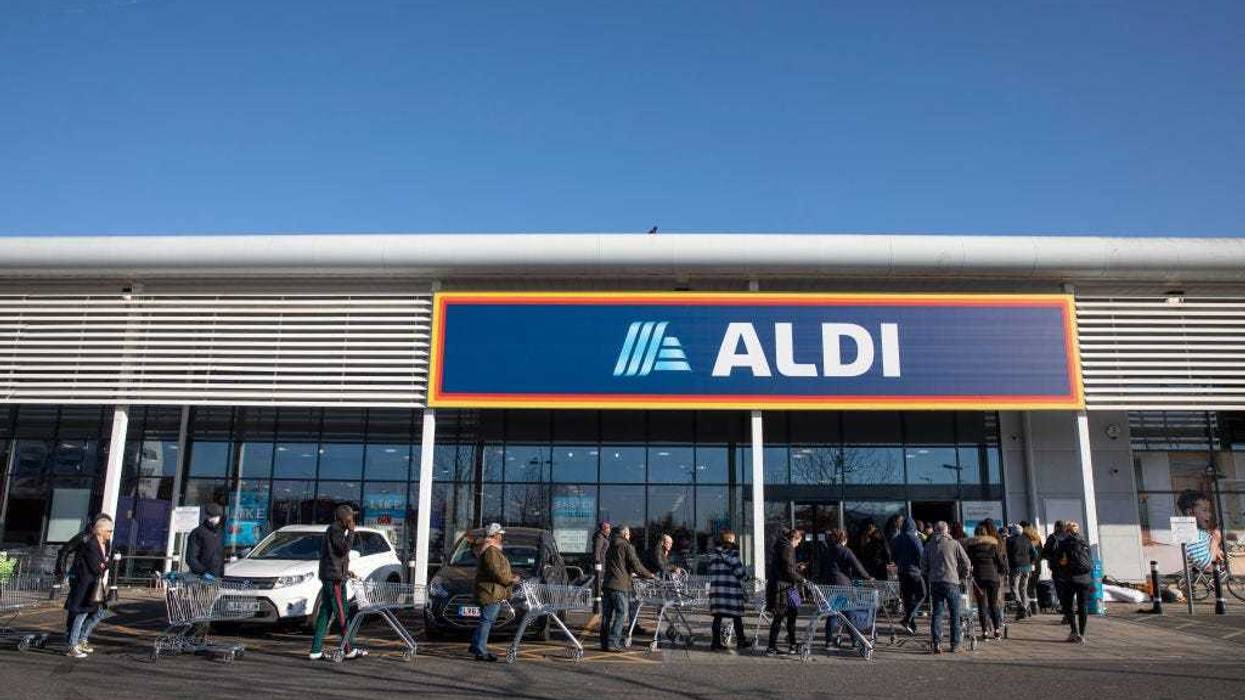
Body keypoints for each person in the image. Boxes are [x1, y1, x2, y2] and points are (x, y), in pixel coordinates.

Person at [309, 504, 365, 661]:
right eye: (351, 517)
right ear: (345, 518)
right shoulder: (336, 530)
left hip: (335, 575)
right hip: (334, 580)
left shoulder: (335, 530)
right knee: (342, 613)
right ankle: (348, 649)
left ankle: (315, 650)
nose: (353, 519)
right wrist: (352, 531)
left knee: (325, 613)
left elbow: (334, 557)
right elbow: (343, 549)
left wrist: (346, 571)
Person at [64, 514, 114, 658]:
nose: (110, 534)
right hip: (85, 584)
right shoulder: (91, 544)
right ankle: (72, 645)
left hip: (95, 585)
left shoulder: (104, 544)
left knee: (100, 611)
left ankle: (80, 639)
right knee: (81, 613)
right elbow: (96, 567)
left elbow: (101, 565)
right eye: (108, 531)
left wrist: (104, 564)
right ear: (101, 531)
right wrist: (107, 564)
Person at [469, 523, 520, 661]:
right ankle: (480, 650)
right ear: (495, 535)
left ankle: (476, 646)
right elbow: (496, 572)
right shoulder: (491, 550)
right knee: (487, 621)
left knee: (485, 620)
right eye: (500, 534)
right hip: (490, 592)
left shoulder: (491, 549)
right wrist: (511, 580)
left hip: (491, 591)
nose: (501, 536)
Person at [601, 525, 654, 652]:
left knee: (606, 616)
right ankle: (614, 641)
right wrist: (649, 575)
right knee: (622, 613)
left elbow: (618, 564)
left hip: (608, 584)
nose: (629, 537)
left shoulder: (610, 545)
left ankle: (604, 643)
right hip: (620, 585)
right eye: (629, 534)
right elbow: (636, 564)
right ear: (625, 534)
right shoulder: (626, 545)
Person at [921, 521, 972, 655]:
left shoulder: (929, 545)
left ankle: (936, 643)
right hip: (952, 582)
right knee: (955, 614)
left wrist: (928, 573)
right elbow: (966, 562)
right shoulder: (954, 544)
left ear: (936, 531)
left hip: (935, 582)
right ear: (946, 530)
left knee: (937, 613)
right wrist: (962, 576)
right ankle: (955, 644)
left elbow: (923, 564)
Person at [817, 528, 872, 643]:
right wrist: (868, 577)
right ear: (844, 540)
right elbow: (857, 566)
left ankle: (828, 641)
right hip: (843, 586)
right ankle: (854, 640)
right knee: (849, 613)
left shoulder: (826, 551)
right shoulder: (845, 551)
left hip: (829, 585)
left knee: (833, 613)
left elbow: (820, 569)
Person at [707, 529, 751, 651]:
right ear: (730, 540)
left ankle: (715, 643)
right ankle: (741, 641)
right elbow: (739, 572)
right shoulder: (733, 553)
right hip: (730, 591)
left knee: (717, 617)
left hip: (717, 590)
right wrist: (746, 577)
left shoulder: (714, 555)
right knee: (737, 617)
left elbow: (711, 569)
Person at [765, 528, 805, 656]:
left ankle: (792, 643)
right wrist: (802, 579)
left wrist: (796, 567)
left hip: (785, 587)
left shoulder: (782, 546)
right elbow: (788, 570)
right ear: (794, 538)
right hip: (783, 589)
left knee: (790, 615)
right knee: (780, 617)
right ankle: (772, 647)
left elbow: (786, 566)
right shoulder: (788, 548)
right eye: (799, 541)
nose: (798, 544)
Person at [963, 521, 1007, 640]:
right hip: (993, 578)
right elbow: (1001, 563)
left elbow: (968, 562)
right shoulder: (993, 546)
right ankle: (997, 631)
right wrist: (1000, 572)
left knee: (981, 605)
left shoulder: (971, 547)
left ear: (976, 534)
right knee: (993, 604)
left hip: (979, 579)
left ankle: (984, 632)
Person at [1056, 520, 1094, 643]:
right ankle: (1082, 634)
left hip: (1070, 578)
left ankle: (1074, 631)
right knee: (1083, 605)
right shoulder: (1084, 543)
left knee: (1068, 605)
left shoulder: (1064, 543)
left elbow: (1061, 561)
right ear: (1078, 530)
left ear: (1067, 531)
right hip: (1085, 579)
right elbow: (1090, 560)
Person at [890, 517, 925, 634]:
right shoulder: (914, 539)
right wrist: (921, 567)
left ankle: (911, 625)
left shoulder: (896, 539)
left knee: (907, 599)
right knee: (922, 595)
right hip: (915, 572)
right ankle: (907, 619)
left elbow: (893, 556)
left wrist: (900, 563)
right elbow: (921, 555)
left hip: (902, 572)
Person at [1006, 523, 1039, 620]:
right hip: (1027, 568)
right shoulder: (1027, 540)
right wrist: (1030, 562)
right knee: (1023, 589)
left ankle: (1021, 607)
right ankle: (1025, 607)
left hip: (1016, 567)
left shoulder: (1010, 540)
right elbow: (1035, 554)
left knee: (1014, 588)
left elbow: (1007, 554)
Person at [185, 503, 225, 579]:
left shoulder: (222, 532)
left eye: (217, 516)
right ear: (207, 517)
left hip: (221, 576)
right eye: (211, 516)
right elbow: (191, 558)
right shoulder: (198, 533)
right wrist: (203, 572)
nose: (213, 519)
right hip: (201, 577)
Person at [1043, 520, 1070, 623]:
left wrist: (1052, 558)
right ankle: (1069, 613)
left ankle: (1067, 614)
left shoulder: (1053, 537)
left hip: (1057, 568)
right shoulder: (1069, 536)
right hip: (1069, 568)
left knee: (1060, 591)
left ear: (1056, 527)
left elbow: (1045, 553)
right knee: (1069, 591)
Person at [590, 520, 612, 614]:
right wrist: (598, 563)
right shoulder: (600, 537)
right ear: (604, 528)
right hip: (600, 565)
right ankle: (596, 607)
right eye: (608, 527)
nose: (610, 529)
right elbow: (597, 551)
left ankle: (598, 605)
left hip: (603, 564)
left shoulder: (604, 537)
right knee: (598, 584)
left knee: (600, 584)